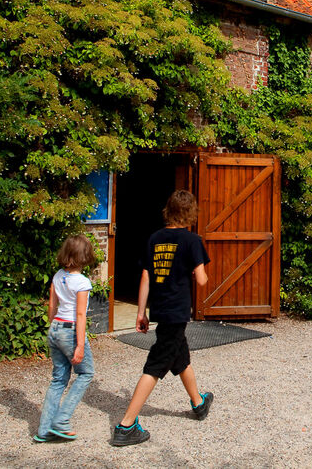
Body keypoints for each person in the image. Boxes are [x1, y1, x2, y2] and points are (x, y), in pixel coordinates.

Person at [110, 189, 214, 447]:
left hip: (160, 309)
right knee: (156, 365)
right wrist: (196, 268)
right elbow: (201, 280)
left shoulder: (155, 238)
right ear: (190, 213)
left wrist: (140, 312)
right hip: (177, 311)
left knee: (180, 356)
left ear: (168, 210)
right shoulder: (192, 240)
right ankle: (126, 425)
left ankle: (198, 403)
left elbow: (145, 277)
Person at [35, 233, 97, 443]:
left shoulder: (57, 276)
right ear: (85, 256)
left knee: (59, 379)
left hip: (55, 327)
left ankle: (44, 430)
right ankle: (61, 420)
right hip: (70, 330)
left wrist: (53, 329)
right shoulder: (82, 282)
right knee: (86, 373)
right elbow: (80, 315)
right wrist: (80, 345)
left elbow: (52, 307)